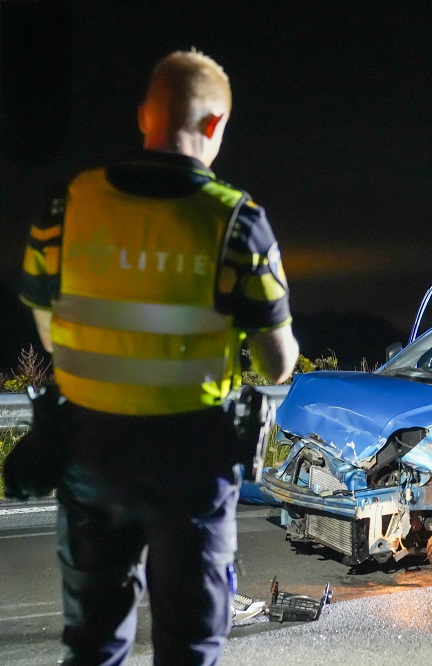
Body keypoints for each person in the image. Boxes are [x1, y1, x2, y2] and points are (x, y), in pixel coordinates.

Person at [19, 49, 299, 664]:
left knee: (92, 643)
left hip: (89, 451)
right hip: (192, 461)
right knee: (189, 644)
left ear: (144, 114)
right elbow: (276, 366)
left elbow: (50, 338)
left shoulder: (66, 207)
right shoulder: (237, 223)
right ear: (215, 126)